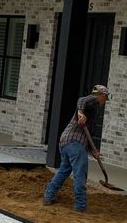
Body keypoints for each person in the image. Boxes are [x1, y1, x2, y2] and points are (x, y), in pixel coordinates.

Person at [43, 84, 110, 214]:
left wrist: (93, 152)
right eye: (105, 98)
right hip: (75, 143)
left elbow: (88, 134)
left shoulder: (92, 110)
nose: (105, 102)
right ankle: (80, 205)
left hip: (65, 142)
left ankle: (48, 196)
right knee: (80, 174)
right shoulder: (92, 101)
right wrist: (80, 112)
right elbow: (82, 100)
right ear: (101, 96)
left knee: (63, 170)